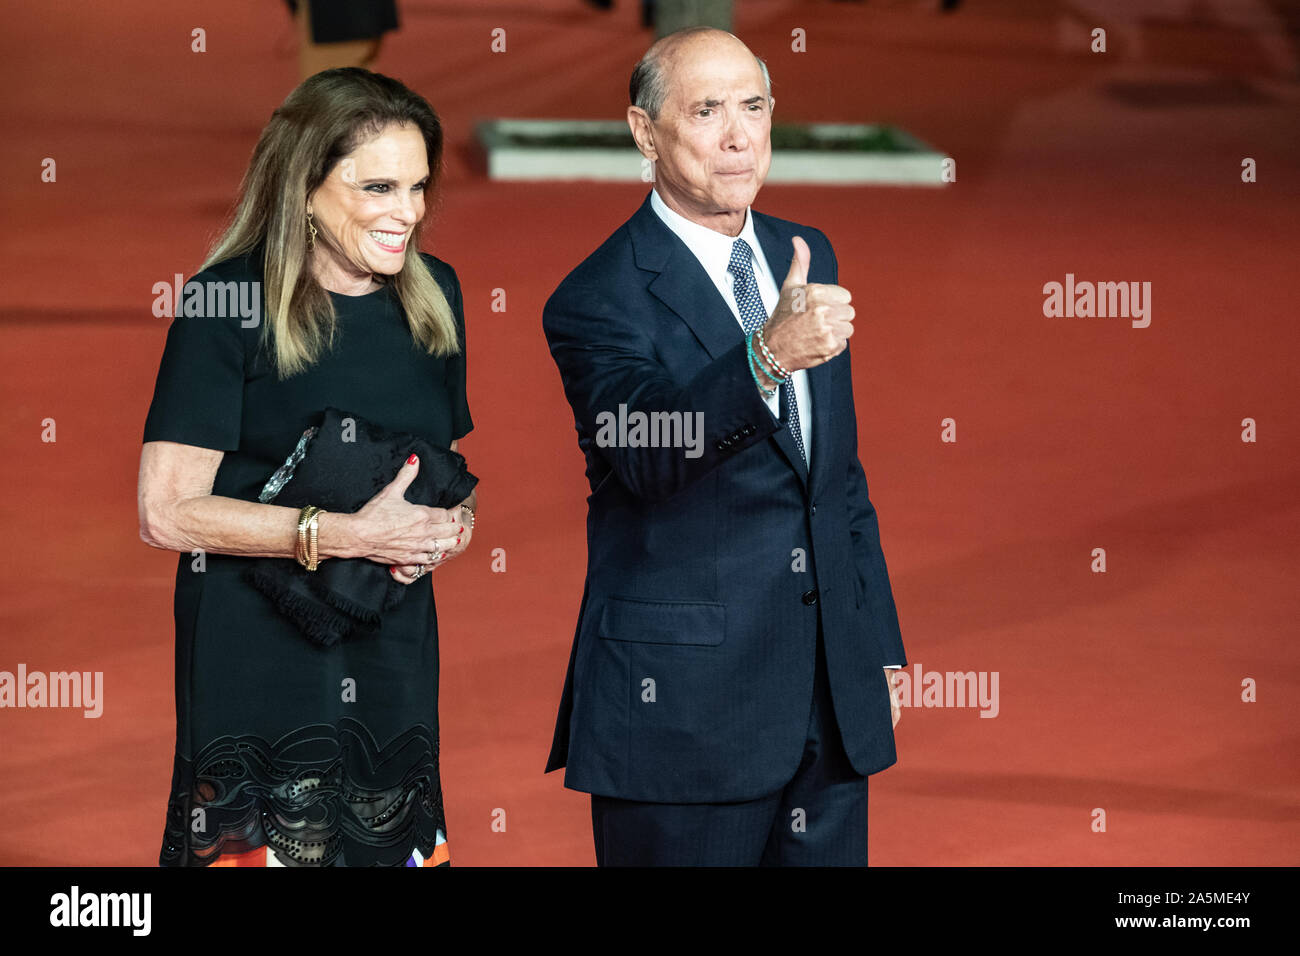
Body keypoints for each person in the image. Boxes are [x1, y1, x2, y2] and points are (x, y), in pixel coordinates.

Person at [542, 27, 906, 866]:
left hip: (828, 707)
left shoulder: (803, 252)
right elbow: (647, 452)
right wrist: (766, 356)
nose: (739, 136)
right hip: (682, 719)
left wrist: (875, 644)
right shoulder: (597, 297)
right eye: (706, 112)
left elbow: (836, 478)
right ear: (645, 133)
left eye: (754, 106)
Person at [138, 67, 475, 867]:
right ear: (306, 190)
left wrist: (448, 530)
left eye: (420, 187)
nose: (409, 213)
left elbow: (442, 470)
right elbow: (166, 513)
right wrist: (343, 534)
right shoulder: (225, 305)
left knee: (383, 838)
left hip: (388, 638)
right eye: (380, 187)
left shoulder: (436, 297)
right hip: (255, 641)